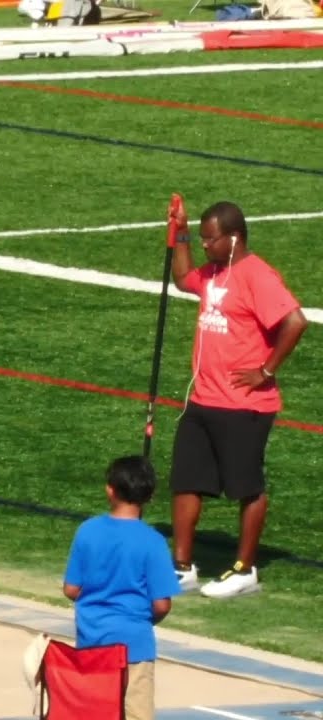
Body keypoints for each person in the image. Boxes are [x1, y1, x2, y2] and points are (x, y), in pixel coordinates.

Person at [167, 199, 307, 599]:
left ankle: (245, 568)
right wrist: (181, 232)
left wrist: (265, 371)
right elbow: (181, 278)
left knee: (246, 486)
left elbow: (295, 321)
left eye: (211, 239)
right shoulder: (213, 272)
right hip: (204, 398)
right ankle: (182, 566)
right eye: (205, 238)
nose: (206, 246)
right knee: (187, 481)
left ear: (235, 238)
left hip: (245, 404)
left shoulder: (256, 276)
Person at [63, 455, 181, 720]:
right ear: (149, 497)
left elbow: (71, 589)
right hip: (135, 645)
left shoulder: (87, 531)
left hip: (92, 642)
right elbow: (162, 604)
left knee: (95, 712)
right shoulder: (153, 542)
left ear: (110, 490)